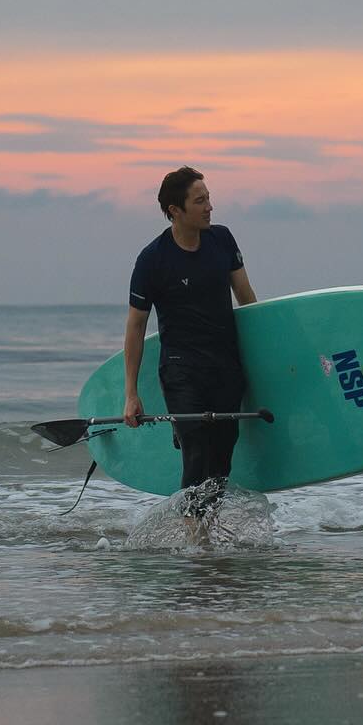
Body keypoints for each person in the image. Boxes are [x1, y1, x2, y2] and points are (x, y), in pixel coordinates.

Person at [123, 168, 257, 539]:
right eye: (200, 201)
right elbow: (135, 327)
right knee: (197, 453)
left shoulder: (222, 241)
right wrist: (131, 394)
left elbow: (246, 299)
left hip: (225, 365)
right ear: (175, 210)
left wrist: (268, 363)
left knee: (221, 461)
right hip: (182, 369)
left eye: (208, 198)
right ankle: (193, 541)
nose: (210, 207)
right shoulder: (153, 259)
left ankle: (205, 532)